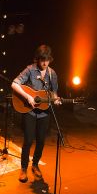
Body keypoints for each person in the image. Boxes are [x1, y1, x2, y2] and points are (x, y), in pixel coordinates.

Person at [11, 44, 62, 183]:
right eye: (42, 60)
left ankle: (35, 165)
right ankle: (23, 169)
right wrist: (28, 97)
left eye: (47, 60)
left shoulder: (52, 73)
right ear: (37, 59)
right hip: (30, 111)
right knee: (28, 140)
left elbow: (54, 93)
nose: (44, 63)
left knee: (41, 141)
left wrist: (56, 100)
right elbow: (14, 83)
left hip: (45, 112)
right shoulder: (30, 69)